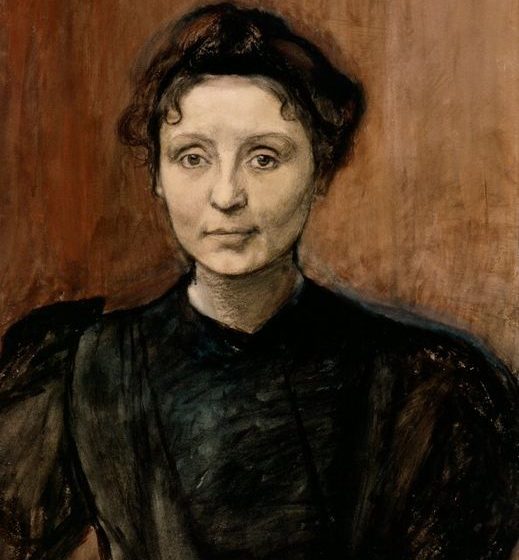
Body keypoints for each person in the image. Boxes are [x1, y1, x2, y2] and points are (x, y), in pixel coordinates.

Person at [0, 3, 517, 560]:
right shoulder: (83, 369)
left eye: (264, 158)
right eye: (192, 157)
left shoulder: (432, 389)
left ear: (319, 170)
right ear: (157, 176)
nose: (227, 195)